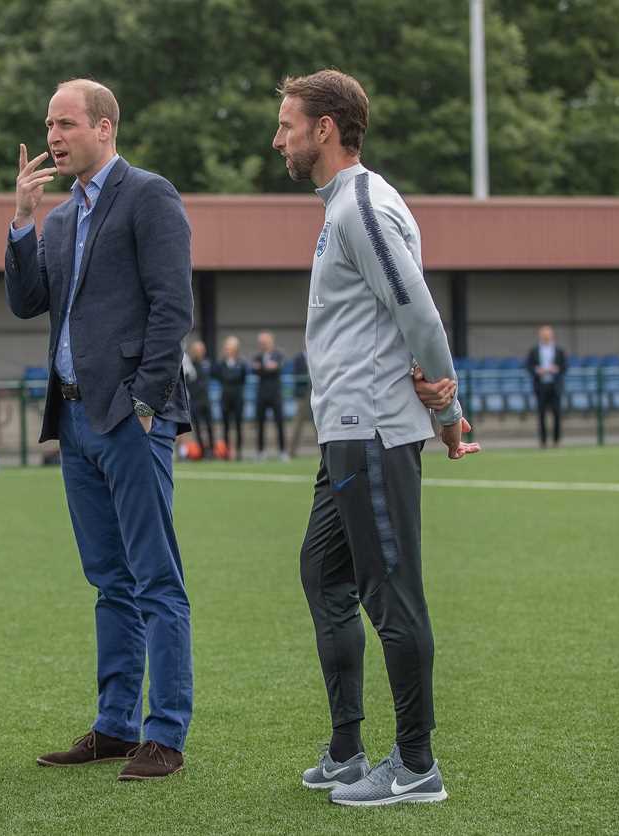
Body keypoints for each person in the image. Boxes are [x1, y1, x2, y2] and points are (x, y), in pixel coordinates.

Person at [272, 69, 479, 807]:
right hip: (345, 433)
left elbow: (417, 309)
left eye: (288, 126)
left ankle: (417, 764)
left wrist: (449, 409)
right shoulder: (340, 209)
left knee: (392, 596)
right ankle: (346, 750)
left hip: (372, 431)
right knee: (322, 575)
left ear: (325, 129)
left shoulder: (361, 205)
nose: (280, 140)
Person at [4, 78, 194, 781]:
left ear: (105, 127)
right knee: (108, 580)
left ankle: (165, 733)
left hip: (130, 419)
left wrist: (146, 404)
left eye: (65, 123)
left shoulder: (149, 195)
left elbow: (174, 306)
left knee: (155, 579)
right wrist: (23, 220)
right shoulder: (57, 220)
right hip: (75, 418)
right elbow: (27, 302)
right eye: (48, 125)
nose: (53, 136)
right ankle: (115, 727)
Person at [527, 325, 567, 447]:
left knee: (557, 414)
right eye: (544, 334)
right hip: (540, 386)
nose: (546, 336)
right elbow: (529, 366)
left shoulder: (559, 350)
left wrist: (556, 369)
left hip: (555, 386)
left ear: (552, 335)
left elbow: (564, 367)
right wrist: (537, 370)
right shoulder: (534, 351)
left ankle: (556, 440)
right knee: (541, 415)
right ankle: (543, 441)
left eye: (548, 334)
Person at [251, 331, 287, 459]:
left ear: (271, 341)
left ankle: (283, 451)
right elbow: (255, 369)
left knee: (279, 423)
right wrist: (266, 368)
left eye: (265, 342)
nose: (262, 344)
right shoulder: (257, 356)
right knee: (260, 424)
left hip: (275, 394)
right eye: (261, 342)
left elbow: (275, 368)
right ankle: (260, 451)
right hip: (261, 394)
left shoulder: (278, 354)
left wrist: (263, 368)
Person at [213, 335, 247, 459]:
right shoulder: (221, 364)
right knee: (225, 426)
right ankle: (226, 452)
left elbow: (243, 378)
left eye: (230, 347)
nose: (227, 350)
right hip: (225, 398)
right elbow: (218, 376)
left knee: (238, 425)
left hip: (238, 398)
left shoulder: (241, 363)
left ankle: (239, 452)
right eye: (226, 347)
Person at [184, 339, 216, 458]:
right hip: (195, 400)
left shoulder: (207, 363)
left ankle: (212, 451)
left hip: (206, 400)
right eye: (197, 350)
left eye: (201, 350)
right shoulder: (189, 365)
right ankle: (202, 450)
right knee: (197, 427)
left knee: (209, 426)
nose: (199, 352)